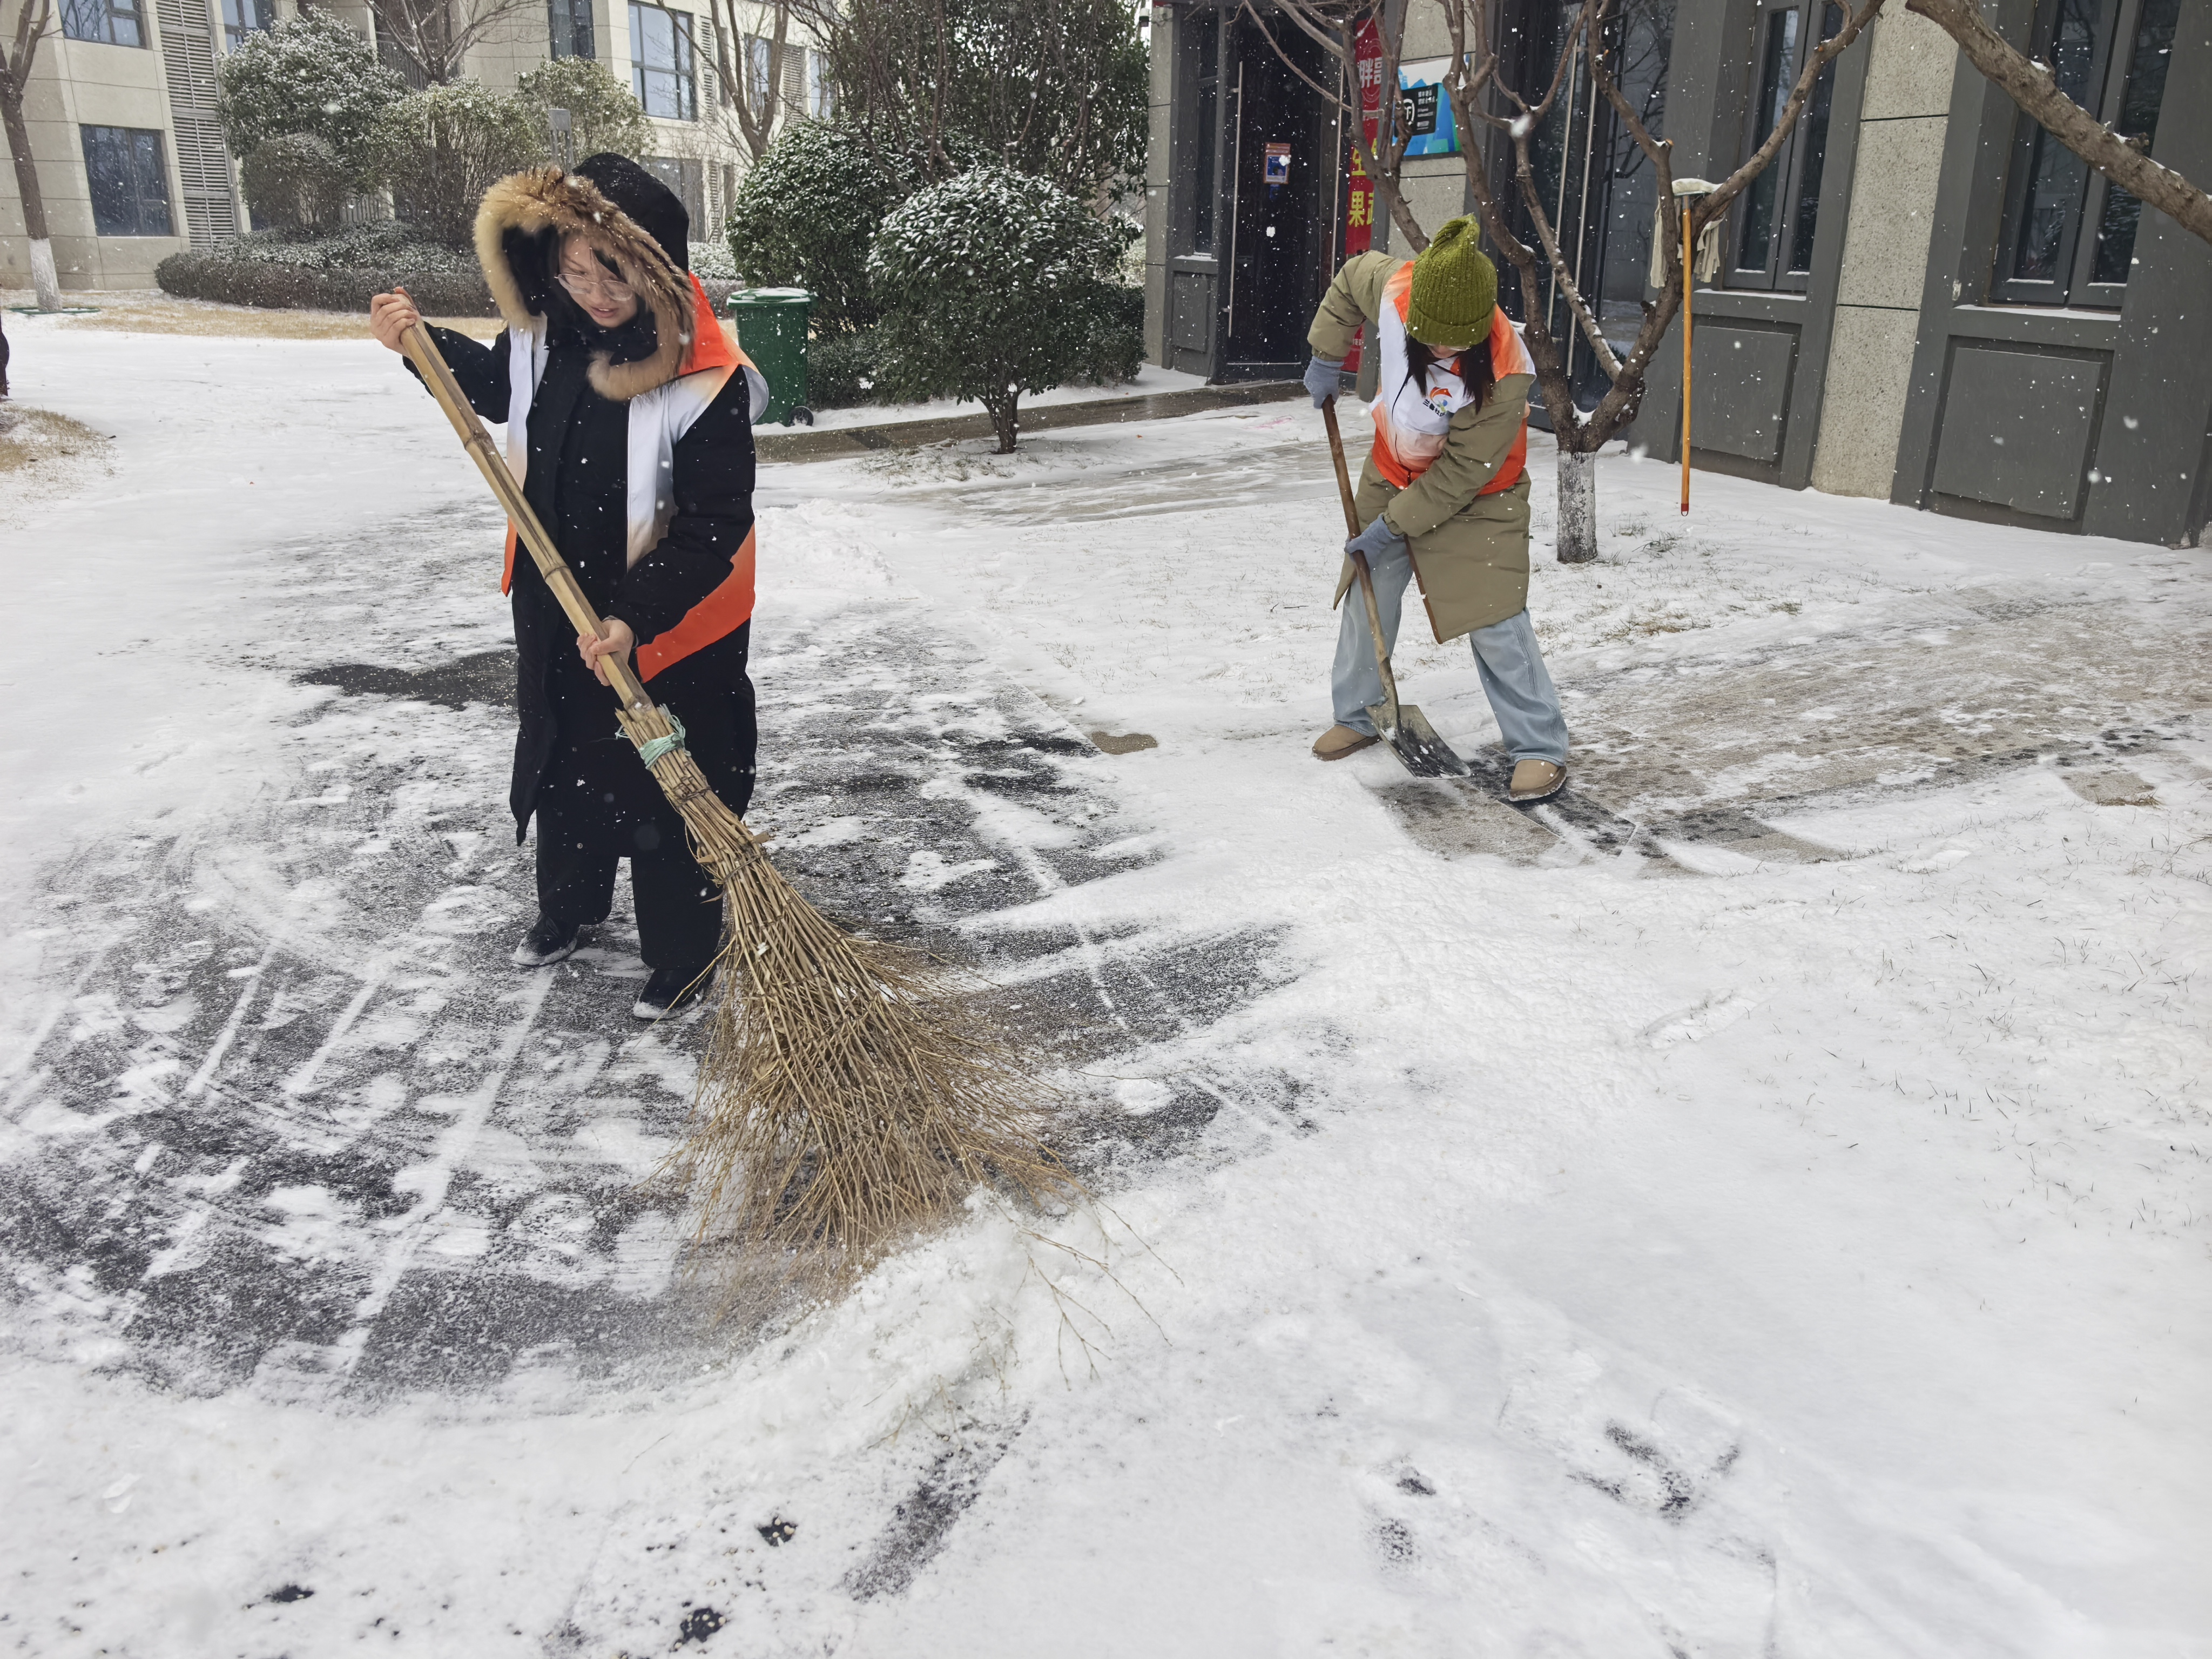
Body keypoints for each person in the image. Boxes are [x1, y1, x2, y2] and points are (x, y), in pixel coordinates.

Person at [368, 154, 768, 1018]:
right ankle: (570, 911)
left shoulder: (704, 374)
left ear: (655, 264)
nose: (592, 291)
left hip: (670, 620)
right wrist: (419, 342)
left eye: (612, 271)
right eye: (573, 267)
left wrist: (635, 617)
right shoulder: (544, 333)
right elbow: (498, 391)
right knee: (568, 768)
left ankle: (684, 955)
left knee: (670, 782)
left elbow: (714, 526)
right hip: (556, 602)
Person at [1302, 216, 1570, 803]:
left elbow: (1458, 477)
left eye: (1457, 341)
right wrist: (1328, 353)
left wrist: (1391, 525)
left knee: (1494, 614)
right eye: (1433, 338)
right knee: (1367, 590)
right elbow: (1350, 277)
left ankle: (1538, 746)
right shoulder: (1398, 288)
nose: (1444, 348)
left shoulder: (1505, 369)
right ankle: (1359, 712)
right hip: (1392, 468)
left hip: (1480, 493)